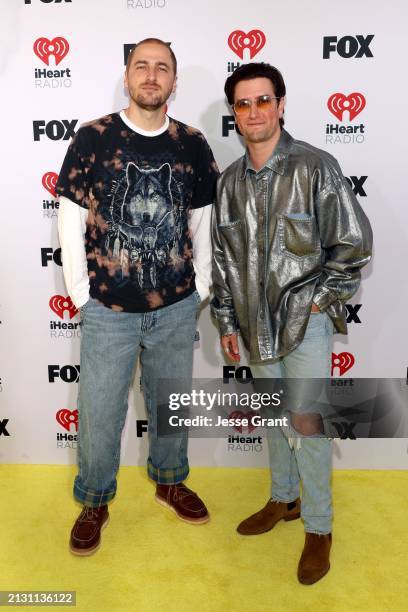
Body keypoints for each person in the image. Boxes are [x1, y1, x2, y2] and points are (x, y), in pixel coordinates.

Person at [211, 62, 372, 584]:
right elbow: (222, 259)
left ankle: (319, 527)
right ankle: (283, 501)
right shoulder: (229, 183)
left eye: (263, 100)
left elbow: (352, 246)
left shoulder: (315, 167)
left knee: (308, 423)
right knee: (276, 417)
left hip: (306, 326)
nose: (254, 111)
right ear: (234, 114)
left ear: (280, 105)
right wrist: (226, 320)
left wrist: (318, 302)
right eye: (243, 103)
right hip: (254, 327)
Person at [56, 38, 219, 556]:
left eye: (162, 68)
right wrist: (82, 294)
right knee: (100, 408)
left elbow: (202, 223)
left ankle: (170, 480)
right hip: (108, 306)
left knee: (170, 401)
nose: (151, 75)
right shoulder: (92, 138)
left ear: (174, 82)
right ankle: (96, 498)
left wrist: (202, 287)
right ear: (126, 76)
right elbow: (69, 217)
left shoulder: (192, 143)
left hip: (174, 304)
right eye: (141, 66)